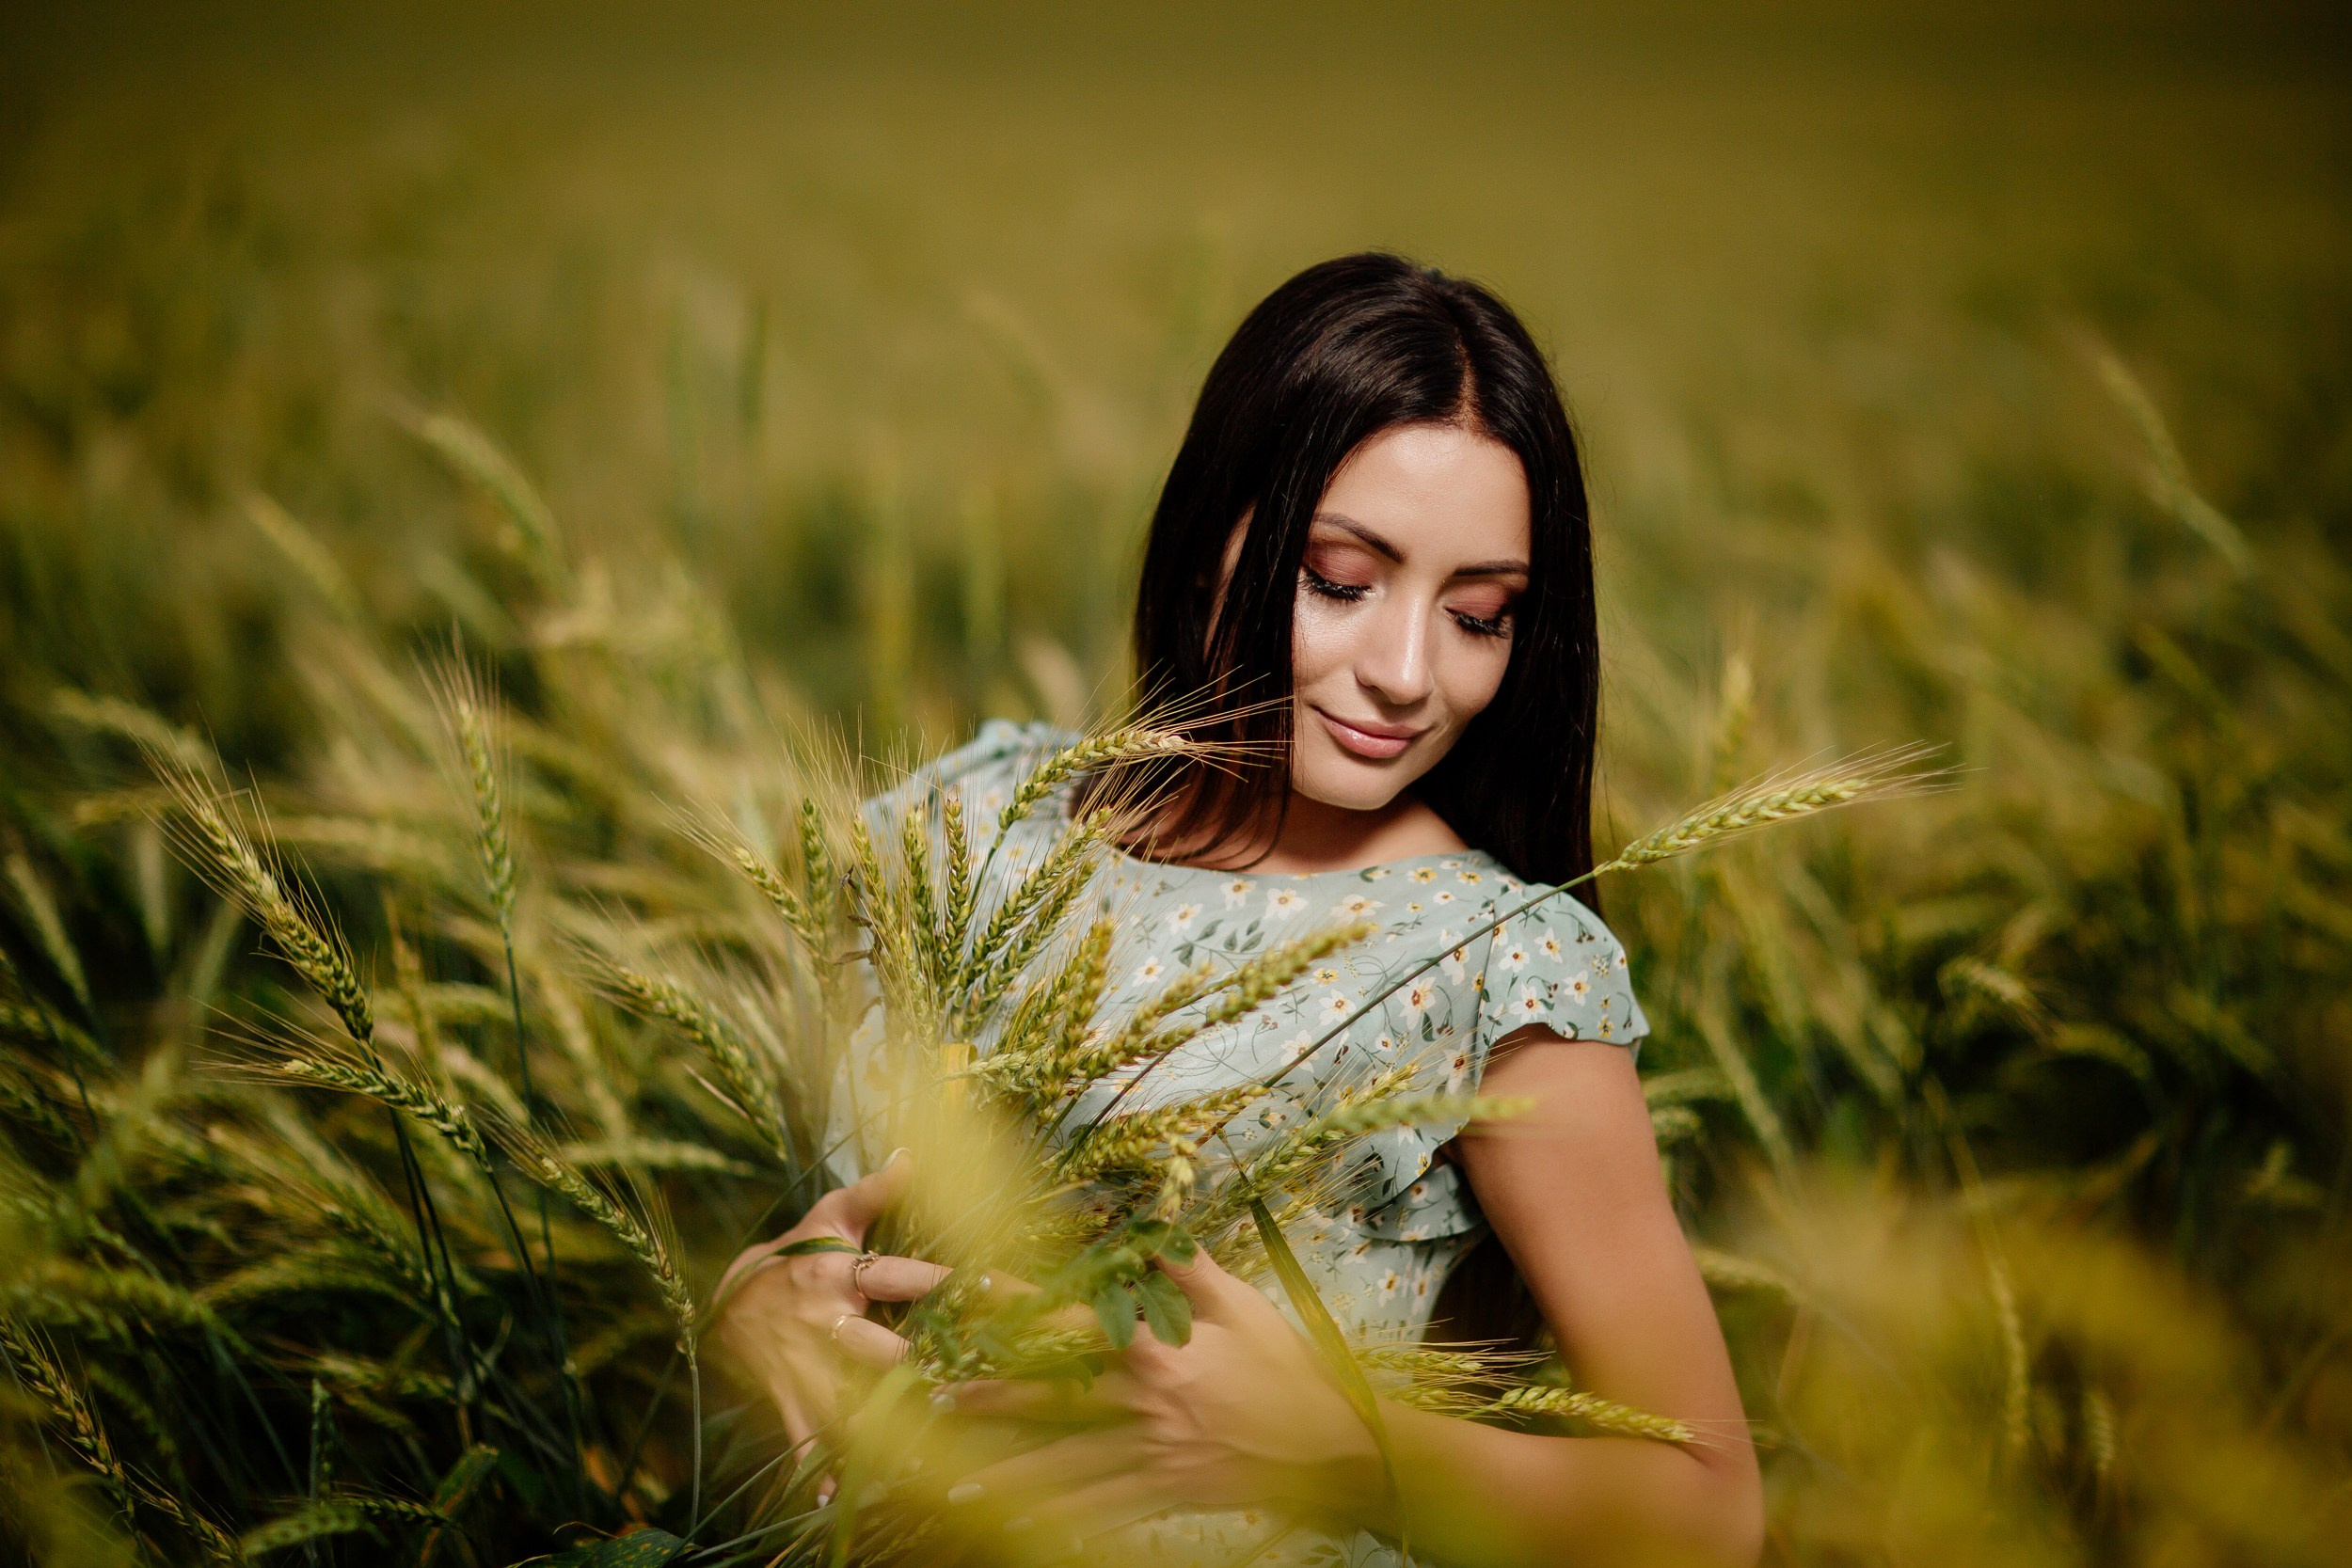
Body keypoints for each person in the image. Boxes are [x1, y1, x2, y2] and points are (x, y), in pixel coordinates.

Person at [716, 253, 1763, 1567]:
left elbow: (1711, 1514)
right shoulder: (965, 827)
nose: (1403, 673)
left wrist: (1337, 1443)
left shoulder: (1492, 968)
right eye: (1339, 577)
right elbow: (835, 1216)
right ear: (1215, 529)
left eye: (1482, 615)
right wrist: (755, 1302)